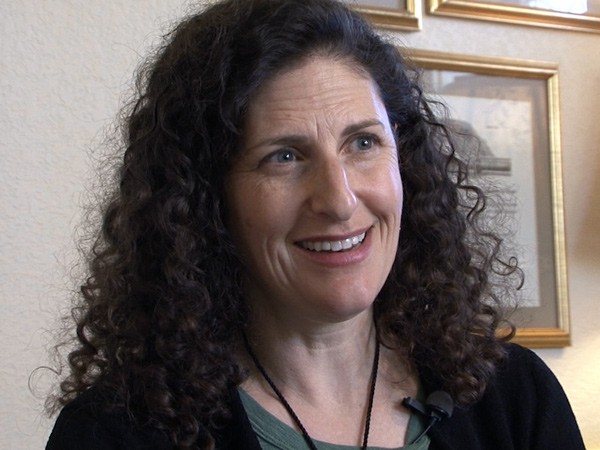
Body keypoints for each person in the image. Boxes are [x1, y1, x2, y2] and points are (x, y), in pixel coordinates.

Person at [46, 0, 585, 449]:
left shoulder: (515, 399)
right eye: (284, 156)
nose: (339, 200)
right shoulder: (114, 433)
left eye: (364, 143)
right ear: (205, 198)